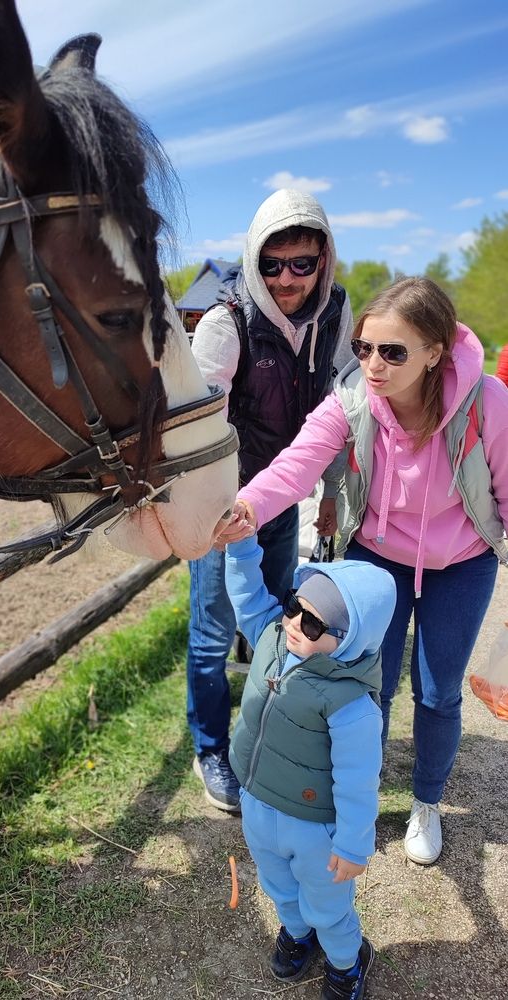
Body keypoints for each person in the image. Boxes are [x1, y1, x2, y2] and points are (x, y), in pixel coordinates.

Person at [221, 276, 508, 863]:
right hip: (376, 562)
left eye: (393, 351)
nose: (373, 364)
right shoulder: (351, 401)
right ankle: (363, 794)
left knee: (437, 692)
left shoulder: (488, 403)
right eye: (364, 348)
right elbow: (295, 467)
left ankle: (426, 802)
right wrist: (247, 506)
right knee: (363, 686)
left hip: (462, 564)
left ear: (435, 353)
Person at [187, 188, 354, 812]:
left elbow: (340, 409)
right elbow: (201, 427)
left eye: (301, 264)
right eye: (272, 264)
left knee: (280, 619)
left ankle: (268, 732)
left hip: (283, 496)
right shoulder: (225, 323)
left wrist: (332, 489)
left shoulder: (336, 315)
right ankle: (210, 747)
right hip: (225, 502)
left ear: (323, 260)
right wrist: (216, 506)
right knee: (212, 628)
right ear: (255, 261)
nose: (286, 279)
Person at [225, 536, 395, 998]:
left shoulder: (352, 704)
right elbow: (246, 595)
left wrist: (354, 845)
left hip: (314, 826)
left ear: (347, 639)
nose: (296, 623)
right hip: (258, 801)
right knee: (276, 883)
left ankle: (345, 962)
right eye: (294, 606)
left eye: (314, 621)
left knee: (328, 905)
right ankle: (297, 934)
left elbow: (359, 781)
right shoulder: (273, 636)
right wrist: (240, 548)